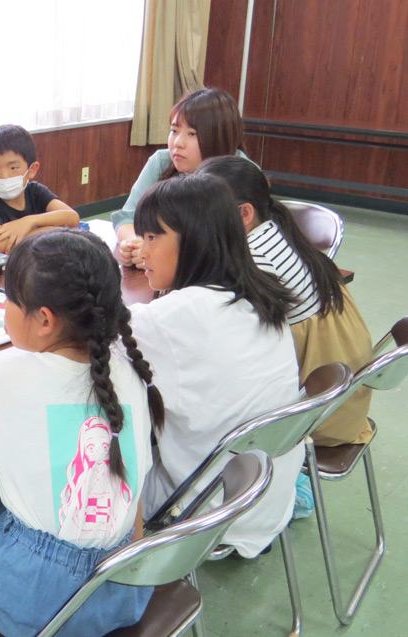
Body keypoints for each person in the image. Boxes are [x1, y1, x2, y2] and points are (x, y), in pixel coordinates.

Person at [0, 229, 164, 636]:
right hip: (124, 584)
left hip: (36, 602)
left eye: (8, 300)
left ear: (45, 320)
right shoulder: (128, 366)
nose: (5, 309)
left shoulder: (11, 379)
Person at [129, 172, 304, 558]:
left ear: (194, 240)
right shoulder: (262, 289)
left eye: (153, 237)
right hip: (267, 496)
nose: (142, 252)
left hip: (204, 513)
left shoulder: (170, 317)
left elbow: (89, 350)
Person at [197, 156, 373, 446]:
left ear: (244, 213)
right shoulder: (274, 227)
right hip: (341, 391)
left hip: (315, 413)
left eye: (205, 212)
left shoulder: (255, 260)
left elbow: (229, 343)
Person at [112, 87, 250, 268]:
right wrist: (135, 244)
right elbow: (127, 217)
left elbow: (236, 244)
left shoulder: (242, 172)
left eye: (192, 134)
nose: (177, 143)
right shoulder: (162, 162)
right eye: (174, 131)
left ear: (219, 136)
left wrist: (159, 251)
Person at [0, 124, 79, 253]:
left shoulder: (35, 191)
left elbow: (72, 218)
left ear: (32, 170)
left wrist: (28, 222)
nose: (4, 176)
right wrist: (55, 229)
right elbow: (0, 245)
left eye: (13, 168)